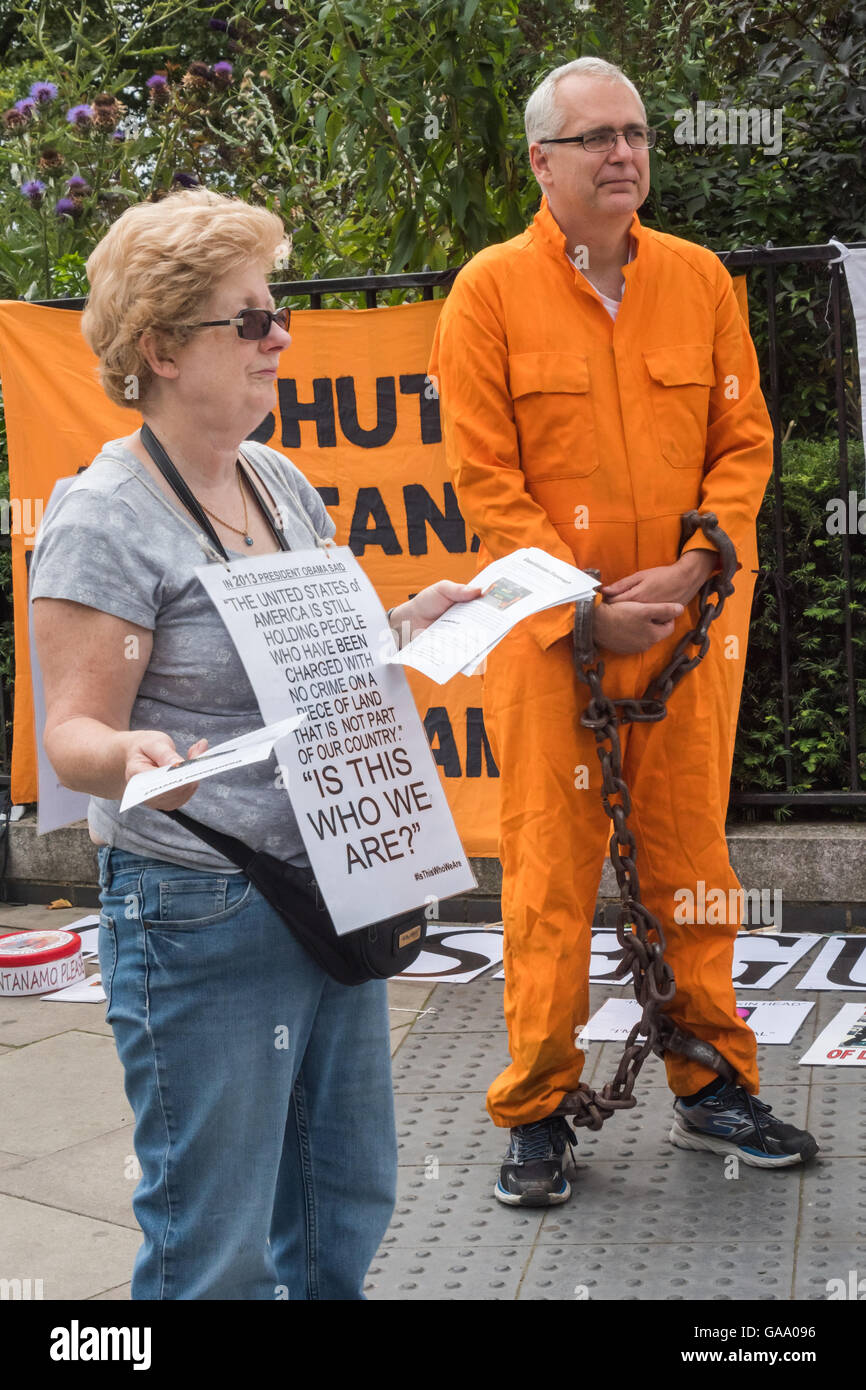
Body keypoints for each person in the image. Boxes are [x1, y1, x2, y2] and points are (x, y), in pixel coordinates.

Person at [29, 187, 481, 1298]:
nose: (280, 338)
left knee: (346, 1194)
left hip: (330, 877)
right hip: (198, 906)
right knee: (213, 1239)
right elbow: (69, 732)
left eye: (274, 312)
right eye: (250, 320)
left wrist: (404, 624)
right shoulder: (104, 514)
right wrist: (131, 756)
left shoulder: (274, 480)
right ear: (161, 349)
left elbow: (312, 654)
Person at [428, 56, 818, 1207]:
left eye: (635, 132)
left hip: (685, 636)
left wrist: (701, 557)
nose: (623, 154)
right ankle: (537, 1108)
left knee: (691, 866)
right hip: (553, 645)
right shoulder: (487, 294)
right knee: (548, 876)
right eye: (594, 136)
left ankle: (711, 1086)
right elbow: (484, 480)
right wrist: (575, 608)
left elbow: (742, 444)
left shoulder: (700, 281)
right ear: (539, 162)